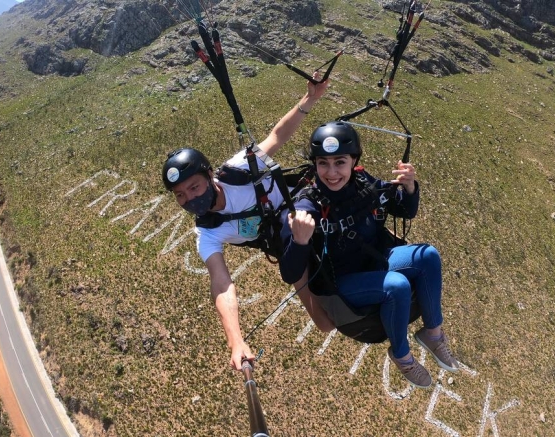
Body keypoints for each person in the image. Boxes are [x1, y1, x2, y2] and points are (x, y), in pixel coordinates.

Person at [162, 75, 334, 371]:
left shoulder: (238, 170)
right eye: (180, 195)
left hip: (307, 209)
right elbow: (221, 283)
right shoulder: (208, 232)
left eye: (194, 187)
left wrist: (311, 98)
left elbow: (277, 136)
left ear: (209, 177)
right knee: (323, 322)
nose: (189, 199)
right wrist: (236, 340)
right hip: (287, 247)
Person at [278, 121, 459, 388]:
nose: (331, 172)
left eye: (339, 162)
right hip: (342, 283)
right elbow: (291, 273)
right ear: (315, 164)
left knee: (427, 255)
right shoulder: (307, 207)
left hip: (373, 262)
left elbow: (402, 210)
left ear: (354, 161)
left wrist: (409, 188)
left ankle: (433, 334)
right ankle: (402, 355)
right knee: (396, 286)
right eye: (323, 164)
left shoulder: (362, 182)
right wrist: (300, 240)